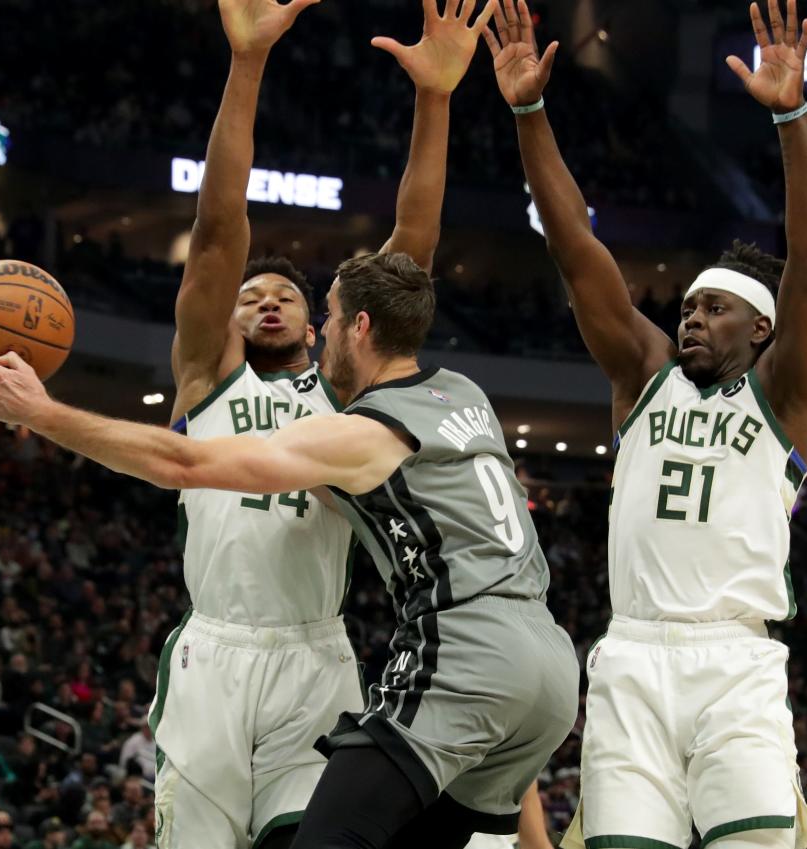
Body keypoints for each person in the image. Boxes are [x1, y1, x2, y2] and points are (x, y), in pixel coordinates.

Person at [0, 247, 579, 849]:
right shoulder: (466, 393)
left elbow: (184, 464)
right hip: (550, 663)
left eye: (326, 316)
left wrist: (43, 412)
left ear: (357, 326)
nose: (321, 331)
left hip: (464, 651)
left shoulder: (364, 429)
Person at [121, 0, 485, 845]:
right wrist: (246, 65)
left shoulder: (348, 398)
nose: (269, 299)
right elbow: (216, 231)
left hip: (314, 656)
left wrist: (435, 102)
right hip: (214, 653)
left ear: (326, 322)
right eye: (253, 294)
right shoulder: (204, 377)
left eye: (287, 292)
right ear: (231, 317)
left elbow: (413, 251)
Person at [481, 0, 807, 846]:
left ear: (759, 328)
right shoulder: (643, 377)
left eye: (713, 310)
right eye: (685, 307)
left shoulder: (780, 394)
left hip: (736, 664)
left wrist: (791, 114)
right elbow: (575, 247)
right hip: (633, 659)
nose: (689, 320)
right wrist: (529, 113)